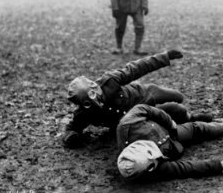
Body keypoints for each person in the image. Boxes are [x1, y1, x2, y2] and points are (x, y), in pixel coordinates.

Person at [63, 50, 211, 148]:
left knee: (178, 97)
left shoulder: (110, 80)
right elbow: (71, 128)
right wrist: (72, 137)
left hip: (144, 94)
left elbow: (137, 68)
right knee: (176, 110)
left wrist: (164, 57)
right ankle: (190, 118)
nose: (96, 99)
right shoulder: (84, 114)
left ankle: (186, 116)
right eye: (88, 101)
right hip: (136, 115)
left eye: (95, 93)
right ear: (82, 104)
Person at [116, 104, 223, 181]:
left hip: (168, 130)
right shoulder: (147, 170)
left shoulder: (127, 124)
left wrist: (170, 124)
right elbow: (183, 168)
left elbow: (144, 108)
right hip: (172, 146)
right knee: (198, 128)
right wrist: (219, 165)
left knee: (197, 127)